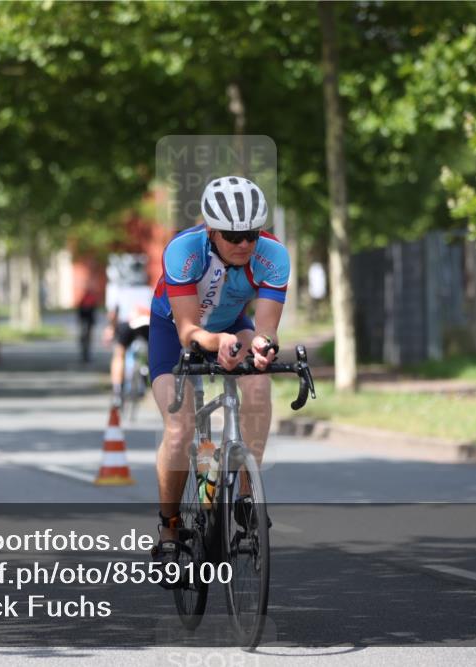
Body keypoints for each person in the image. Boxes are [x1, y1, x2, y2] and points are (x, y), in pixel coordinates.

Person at [148, 176, 289, 580]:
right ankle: (170, 528)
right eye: (232, 235)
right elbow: (190, 330)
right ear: (211, 230)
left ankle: (246, 497)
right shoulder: (184, 251)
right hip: (176, 331)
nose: (244, 243)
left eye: (250, 234)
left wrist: (263, 345)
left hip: (231, 323)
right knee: (181, 427)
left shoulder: (273, 255)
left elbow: (266, 327)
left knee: (259, 386)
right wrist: (217, 342)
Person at [103, 255, 152, 406]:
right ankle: (146, 375)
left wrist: (111, 328)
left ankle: (117, 391)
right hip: (146, 323)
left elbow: (113, 314)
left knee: (119, 354)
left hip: (126, 323)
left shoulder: (120, 290)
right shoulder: (148, 290)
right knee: (153, 350)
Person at [77, 287, 99, 362]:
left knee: (86, 337)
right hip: (87, 321)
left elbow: (80, 310)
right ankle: (85, 352)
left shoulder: (86, 299)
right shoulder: (88, 299)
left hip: (87, 321)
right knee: (86, 337)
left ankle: (85, 352)